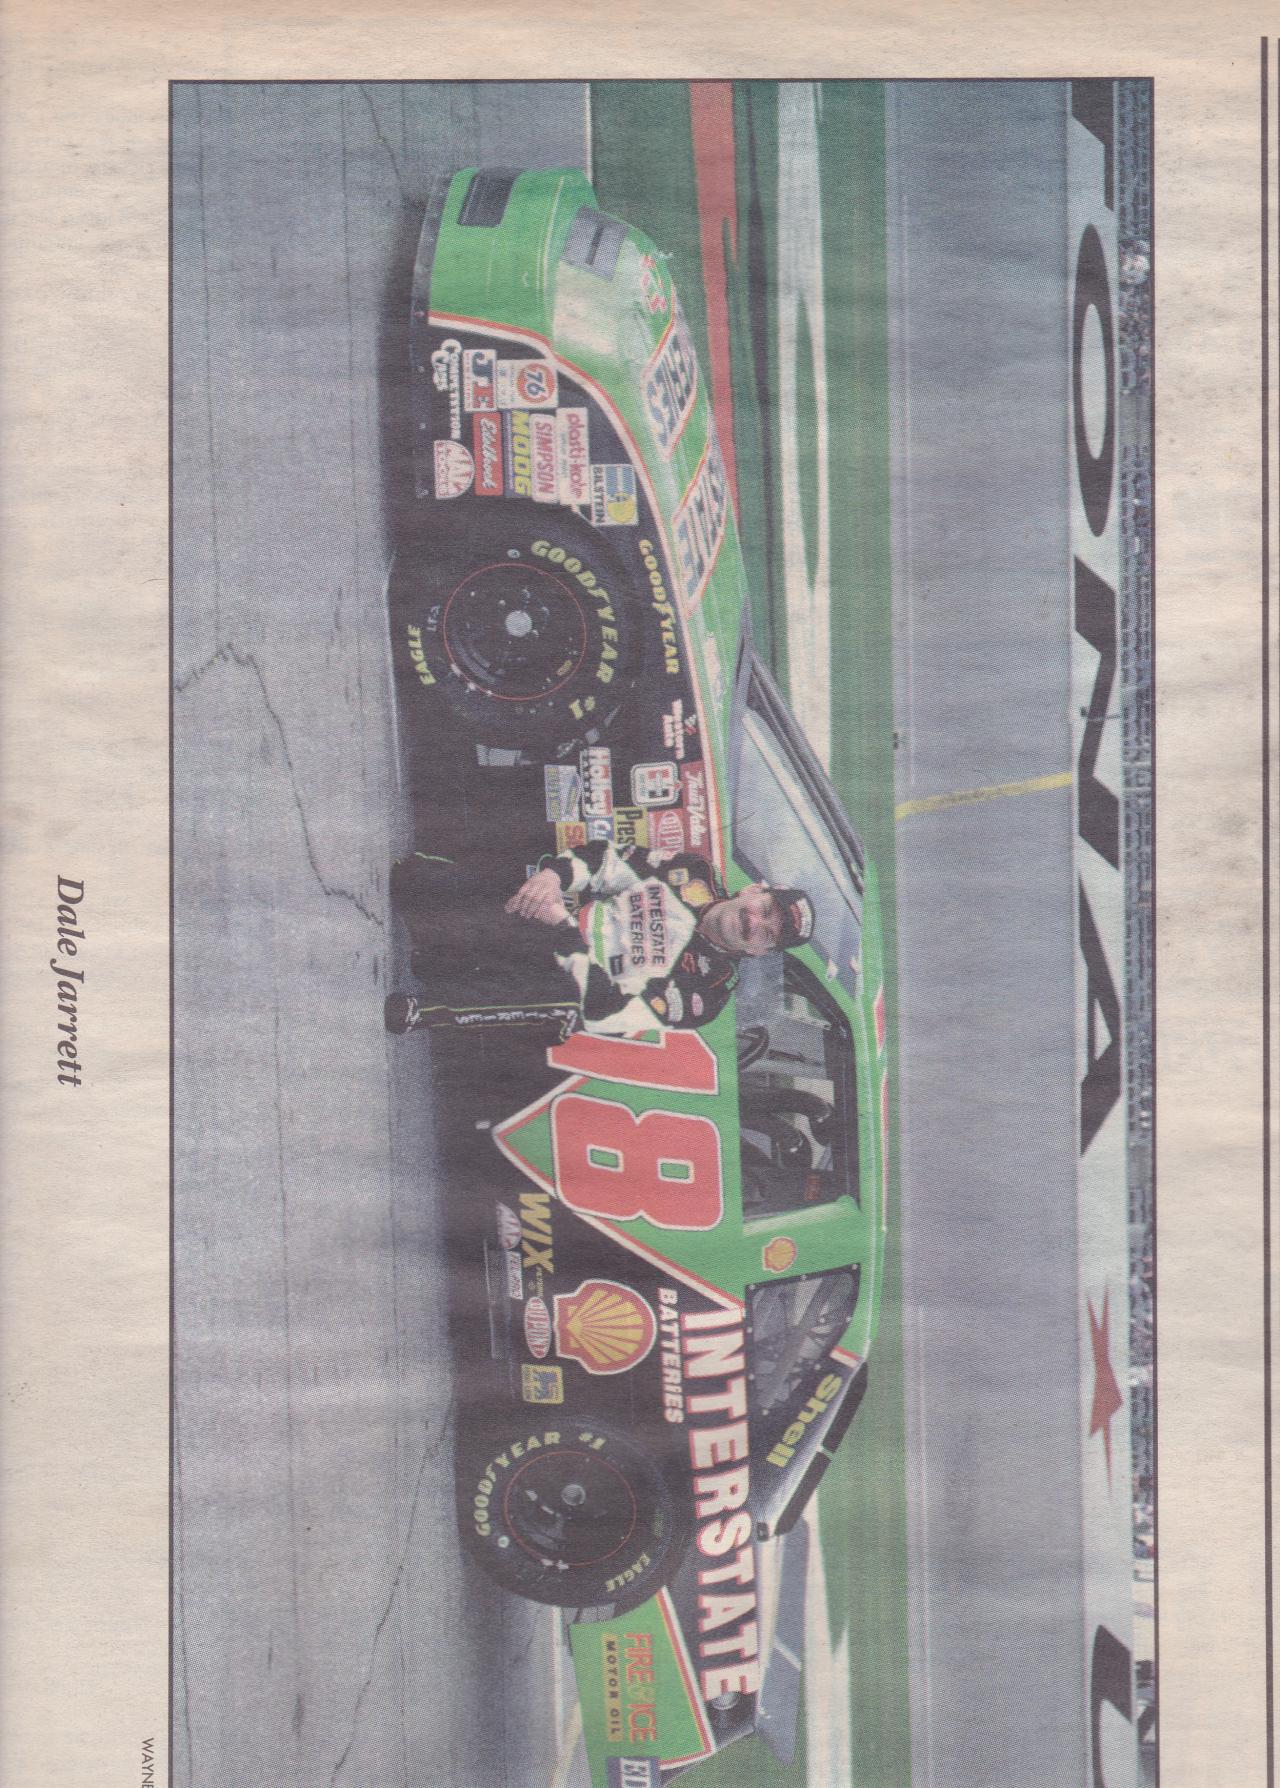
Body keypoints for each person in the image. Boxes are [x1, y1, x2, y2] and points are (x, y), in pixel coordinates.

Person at [384, 835, 815, 1038]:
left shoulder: (710, 992)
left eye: (769, 934)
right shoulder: (693, 872)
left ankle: (430, 1011)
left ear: (761, 952)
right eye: (765, 910)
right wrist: (554, 878)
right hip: (556, 919)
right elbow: (605, 860)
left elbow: (607, 1012)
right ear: (752, 890)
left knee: (568, 1003)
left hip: (567, 982)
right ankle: (444, 941)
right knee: (413, 879)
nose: (756, 923)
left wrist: (565, 931)